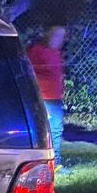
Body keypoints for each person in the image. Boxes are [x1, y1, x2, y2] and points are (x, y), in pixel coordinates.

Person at [27, 26, 66, 168]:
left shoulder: (55, 52)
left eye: (62, 37)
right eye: (56, 35)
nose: (59, 39)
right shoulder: (36, 51)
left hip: (55, 99)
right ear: (48, 36)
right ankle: (44, 162)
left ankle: (55, 163)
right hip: (44, 98)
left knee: (56, 130)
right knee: (46, 130)